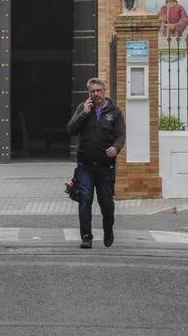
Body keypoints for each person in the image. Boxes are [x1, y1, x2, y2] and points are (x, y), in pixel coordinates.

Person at [66, 76, 126, 249]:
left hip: (105, 166)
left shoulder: (115, 112)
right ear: (89, 93)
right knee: (85, 199)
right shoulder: (83, 108)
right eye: (92, 91)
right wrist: (83, 114)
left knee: (106, 202)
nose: (96, 94)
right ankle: (86, 237)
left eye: (99, 90)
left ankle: (108, 230)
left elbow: (121, 135)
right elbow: (70, 130)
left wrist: (116, 148)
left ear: (104, 91)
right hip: (85, 164)